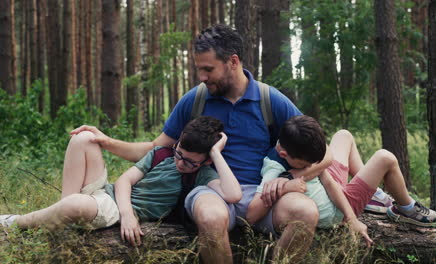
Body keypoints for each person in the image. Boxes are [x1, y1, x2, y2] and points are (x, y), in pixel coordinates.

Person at [54, 24, 330, 263]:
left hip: (262, 193)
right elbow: (156, 148)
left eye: (208, 69)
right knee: (211, 217)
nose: (202, 77)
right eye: (199, 69)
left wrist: (291, 177)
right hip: (210, 190)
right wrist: (107, 141)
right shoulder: (195, 100)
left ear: (233, 62)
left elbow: (324, 155)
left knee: (305, 212)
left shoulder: (271, 100)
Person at [0, 116, 242, 247]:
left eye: (189, 161)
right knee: (84, 137)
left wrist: (216, 154)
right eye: (179, 152)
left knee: (76, 205)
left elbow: (233, 195)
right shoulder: (161, 154)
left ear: (205, 160)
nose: (180, 162)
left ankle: (9, 223)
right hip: (110, 198)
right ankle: (61, 215)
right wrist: (127, 216)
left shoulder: (203, 175)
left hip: (108, 209)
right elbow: (124, 182)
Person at [246, 115, 435, 244]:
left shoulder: (299, 153)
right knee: (385, 158)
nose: (312, 166)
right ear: (285, 154)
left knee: (343, 135)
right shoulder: (275, 170)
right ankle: (406, 208)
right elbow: (252, 215)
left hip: (331, 188)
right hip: (339, 207)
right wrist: (285, 186)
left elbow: (327, 181)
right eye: (307, 164)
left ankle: (372, 194)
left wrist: (309, 168)